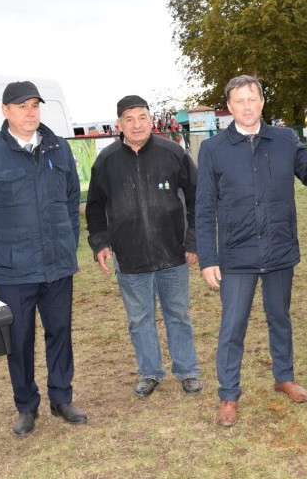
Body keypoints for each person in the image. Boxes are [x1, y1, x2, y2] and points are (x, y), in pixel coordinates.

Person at [195, 74, 307, 427]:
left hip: (279, 250)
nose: (247, 106)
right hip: (236, 257)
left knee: (280, 319)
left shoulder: (285, 139)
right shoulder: (213, 150)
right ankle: (228, 395)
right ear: (230, 107)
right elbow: (204, 207)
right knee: (232, 327)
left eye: (252, 99)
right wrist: (208, 258)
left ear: (262, 102)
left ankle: (284, 377)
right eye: (239, 101)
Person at [0, 80, 87, 436]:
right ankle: (26, 406)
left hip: (58, 265)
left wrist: (67, 244)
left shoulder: (58, 149)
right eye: (22, 106)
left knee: (60, 332)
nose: (30, 113)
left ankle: (62, 399)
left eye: (35, 106)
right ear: (6, 111)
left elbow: (71, 203)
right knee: (19, 340)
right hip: (15, 270)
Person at [85, 95, 202, 398]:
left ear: (151, 120)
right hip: (130, 255)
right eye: (129, 119)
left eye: (142, 117)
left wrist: (192, 241)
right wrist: (100, 242)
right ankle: (149, 372)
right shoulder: (106, 161)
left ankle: (187, 370)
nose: (136, 124)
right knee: (139, 319)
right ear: (119, 125)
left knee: (178, 314)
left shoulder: (173, 153)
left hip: (173, 253)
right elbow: (95, 207)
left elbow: (196, 199)